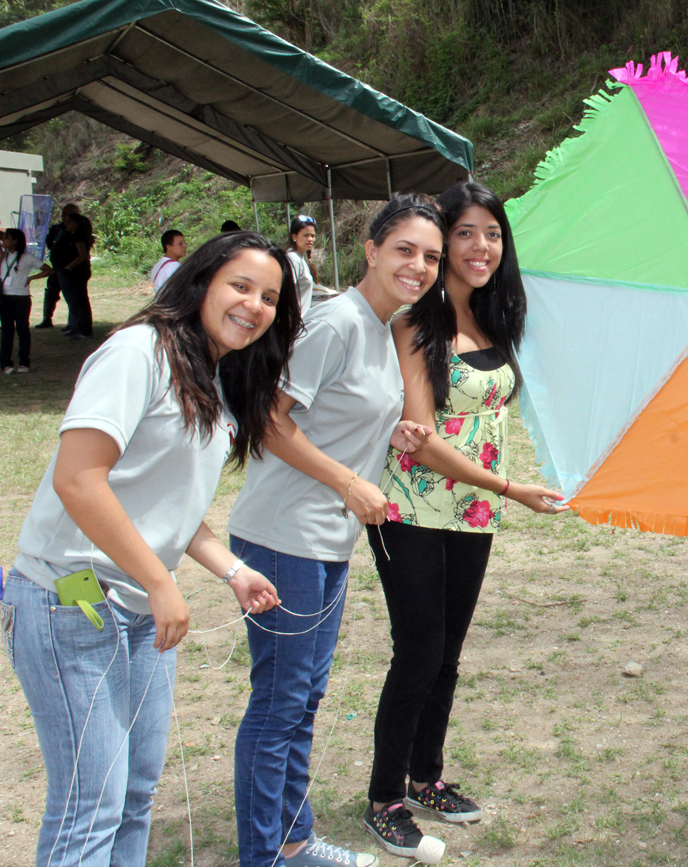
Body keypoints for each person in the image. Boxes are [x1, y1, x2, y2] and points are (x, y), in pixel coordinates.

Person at [5, 231, 298, 867]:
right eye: (240, 286)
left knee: (136, 794)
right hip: (70, 601)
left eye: (270, 296)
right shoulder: (138, 353)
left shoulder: (216, 378)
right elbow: (79, 479)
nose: (254, 305)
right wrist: (161, 582)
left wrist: (234, 571)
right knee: (93, 804)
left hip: (139, 615)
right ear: (201, 283)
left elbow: (166, 506)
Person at [226, 194, 437, 867]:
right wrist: (347, 481)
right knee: (280, 702)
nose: (420, 264)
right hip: (284, 537)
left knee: (303, 698)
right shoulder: (338, 321)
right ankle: (267, 853)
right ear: (371, 249)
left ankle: (292, 838)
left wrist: (389, 435)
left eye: (430, 256)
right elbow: (268, 418)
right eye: (405, 248)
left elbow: (333, 421)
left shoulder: (381, 326)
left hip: (323, 540)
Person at [360, 182, 567, 859]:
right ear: (443, 241)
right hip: (410, 507)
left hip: (470, 511)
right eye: (467, 233)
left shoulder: (494, 317)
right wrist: (510, 487)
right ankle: (385, 795)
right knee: (417, 652)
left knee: (446, 654)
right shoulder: (418, 323)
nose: (481, 247)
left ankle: (427, 776)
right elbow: (417, 437)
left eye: (493, 234)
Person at [32, 203, 80, 330]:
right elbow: (48, 242)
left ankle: (72, 323)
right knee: (50, 293)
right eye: (64, 214)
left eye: (68, 214)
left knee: (72, 296)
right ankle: (46, 319)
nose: (65, 217)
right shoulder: (57, 228)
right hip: (56, 267)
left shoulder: (79, 230)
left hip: (71, 269)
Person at [2, 227, 41, 373]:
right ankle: (6, 363)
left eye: (7, 238)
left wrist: (31, 278)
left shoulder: (26, 257)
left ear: (15, 241)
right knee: (7, 331)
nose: (4, 240)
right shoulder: (4, 256)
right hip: (5, 296)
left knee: (22, 329)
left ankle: (24, 362)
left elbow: (48, 269)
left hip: (21, 297)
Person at [59, 211, 95, 339]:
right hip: (77, 272)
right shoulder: (73, 235)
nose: (66, 225)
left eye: (69, 222)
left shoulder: (78, 236)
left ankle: (84, 330)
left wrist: (70, 266)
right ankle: (76, 327)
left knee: (80, 301)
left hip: (78, 273)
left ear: (76, 223)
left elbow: (82, 255)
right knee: (76, 301)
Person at [285, 214, 319, 316]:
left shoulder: (300, 257)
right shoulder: (293, 258)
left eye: (312, 236)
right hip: (295, 322)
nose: (310, 239)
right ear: (294, 236)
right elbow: (287, 293)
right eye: (305, 235)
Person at [150, 229, 187, 294]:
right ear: (169, 247)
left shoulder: (157, 266)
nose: (185, 246)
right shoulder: (174, 266)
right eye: (180, 244)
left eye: (184, 243)